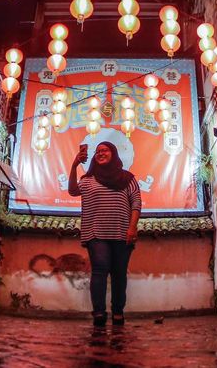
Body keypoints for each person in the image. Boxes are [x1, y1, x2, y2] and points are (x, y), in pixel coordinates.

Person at [68, 140, 141, 327]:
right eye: (98, 151)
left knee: (119, 274)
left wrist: (132, 228)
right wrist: (75, 165)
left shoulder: (128, 178)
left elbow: (136, 203)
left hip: (122, 233)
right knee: (99, 270)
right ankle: (99, 312)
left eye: (105, 150)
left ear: (114, 153)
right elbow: (72, 191)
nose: (100, 153)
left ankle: (118, 312)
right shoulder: (87, 179)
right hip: (96, 233)